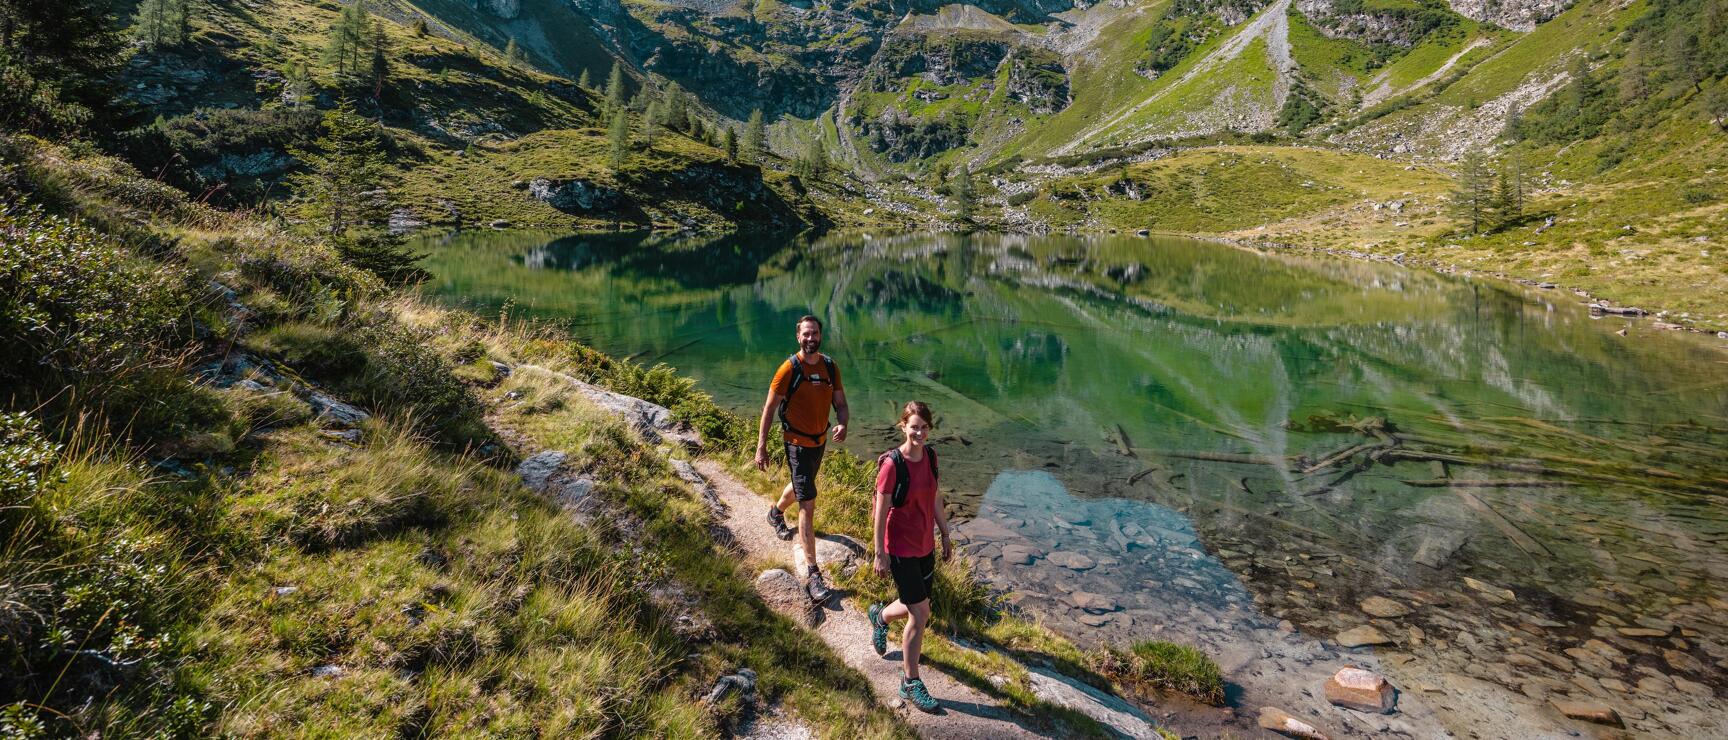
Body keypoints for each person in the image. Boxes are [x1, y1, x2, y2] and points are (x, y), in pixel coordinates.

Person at [754, 314, 849, 603]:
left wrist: (843, 423)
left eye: (815, 333)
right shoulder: (788, 369)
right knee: (808, 501)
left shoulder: (830, 367)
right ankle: (813, 574)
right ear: (798, 336)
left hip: (819, 441)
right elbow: (769, 409)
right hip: (795, 443)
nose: (810, 338)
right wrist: (761, 446)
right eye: (806, 334)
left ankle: (775, 513)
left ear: (821, 335)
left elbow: (841, 403)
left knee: (800, 487)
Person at [866, 400, 952, 712]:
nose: (919, 433)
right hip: (900, 547)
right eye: (914, 427)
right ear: (903, 426)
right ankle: (910, 681)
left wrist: (944, 533)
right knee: (920, 612)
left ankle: (880, 617)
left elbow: (935, 496)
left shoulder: (931, 456)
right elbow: (881, 511)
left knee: (915, 602)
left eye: (924, 427)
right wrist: (880, 553)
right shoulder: (893, 465)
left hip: (925, 544)